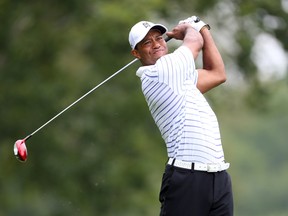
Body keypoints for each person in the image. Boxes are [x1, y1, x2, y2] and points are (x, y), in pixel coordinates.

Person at [128, 16, 233, 216]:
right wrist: (189, 28)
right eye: (147, 43)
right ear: (136, 53)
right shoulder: (159, 73)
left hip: (218, 176)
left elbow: (217, 73)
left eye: (158, 38)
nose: (156, 44)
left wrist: (202, 28)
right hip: (188, 177)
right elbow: (193, 43)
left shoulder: (177, 76)